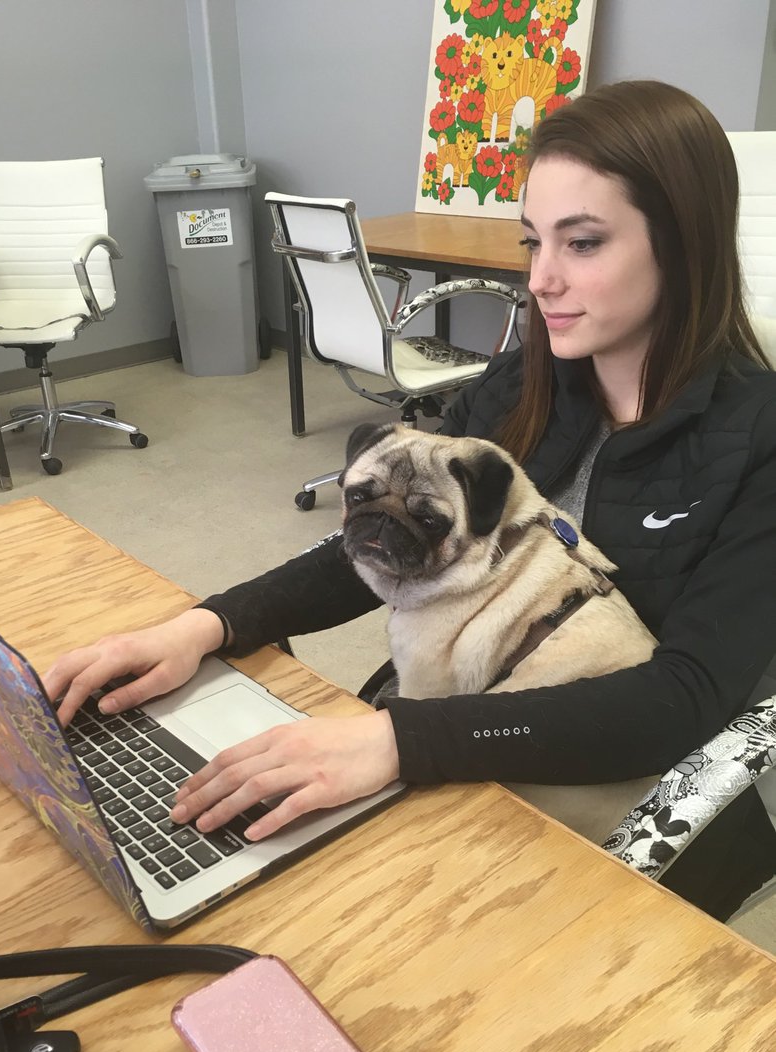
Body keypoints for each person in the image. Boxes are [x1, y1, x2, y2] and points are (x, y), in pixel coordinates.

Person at [44, 79, 776, 921]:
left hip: (633, 800)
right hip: (463, 734)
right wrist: (203, 626)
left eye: (582, 244)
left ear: (682, 245)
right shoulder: (518, 388)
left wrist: (399, 739)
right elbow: (386, 545)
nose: (540, 280)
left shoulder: (759, 440)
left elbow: (681, 700)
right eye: (533, 242)